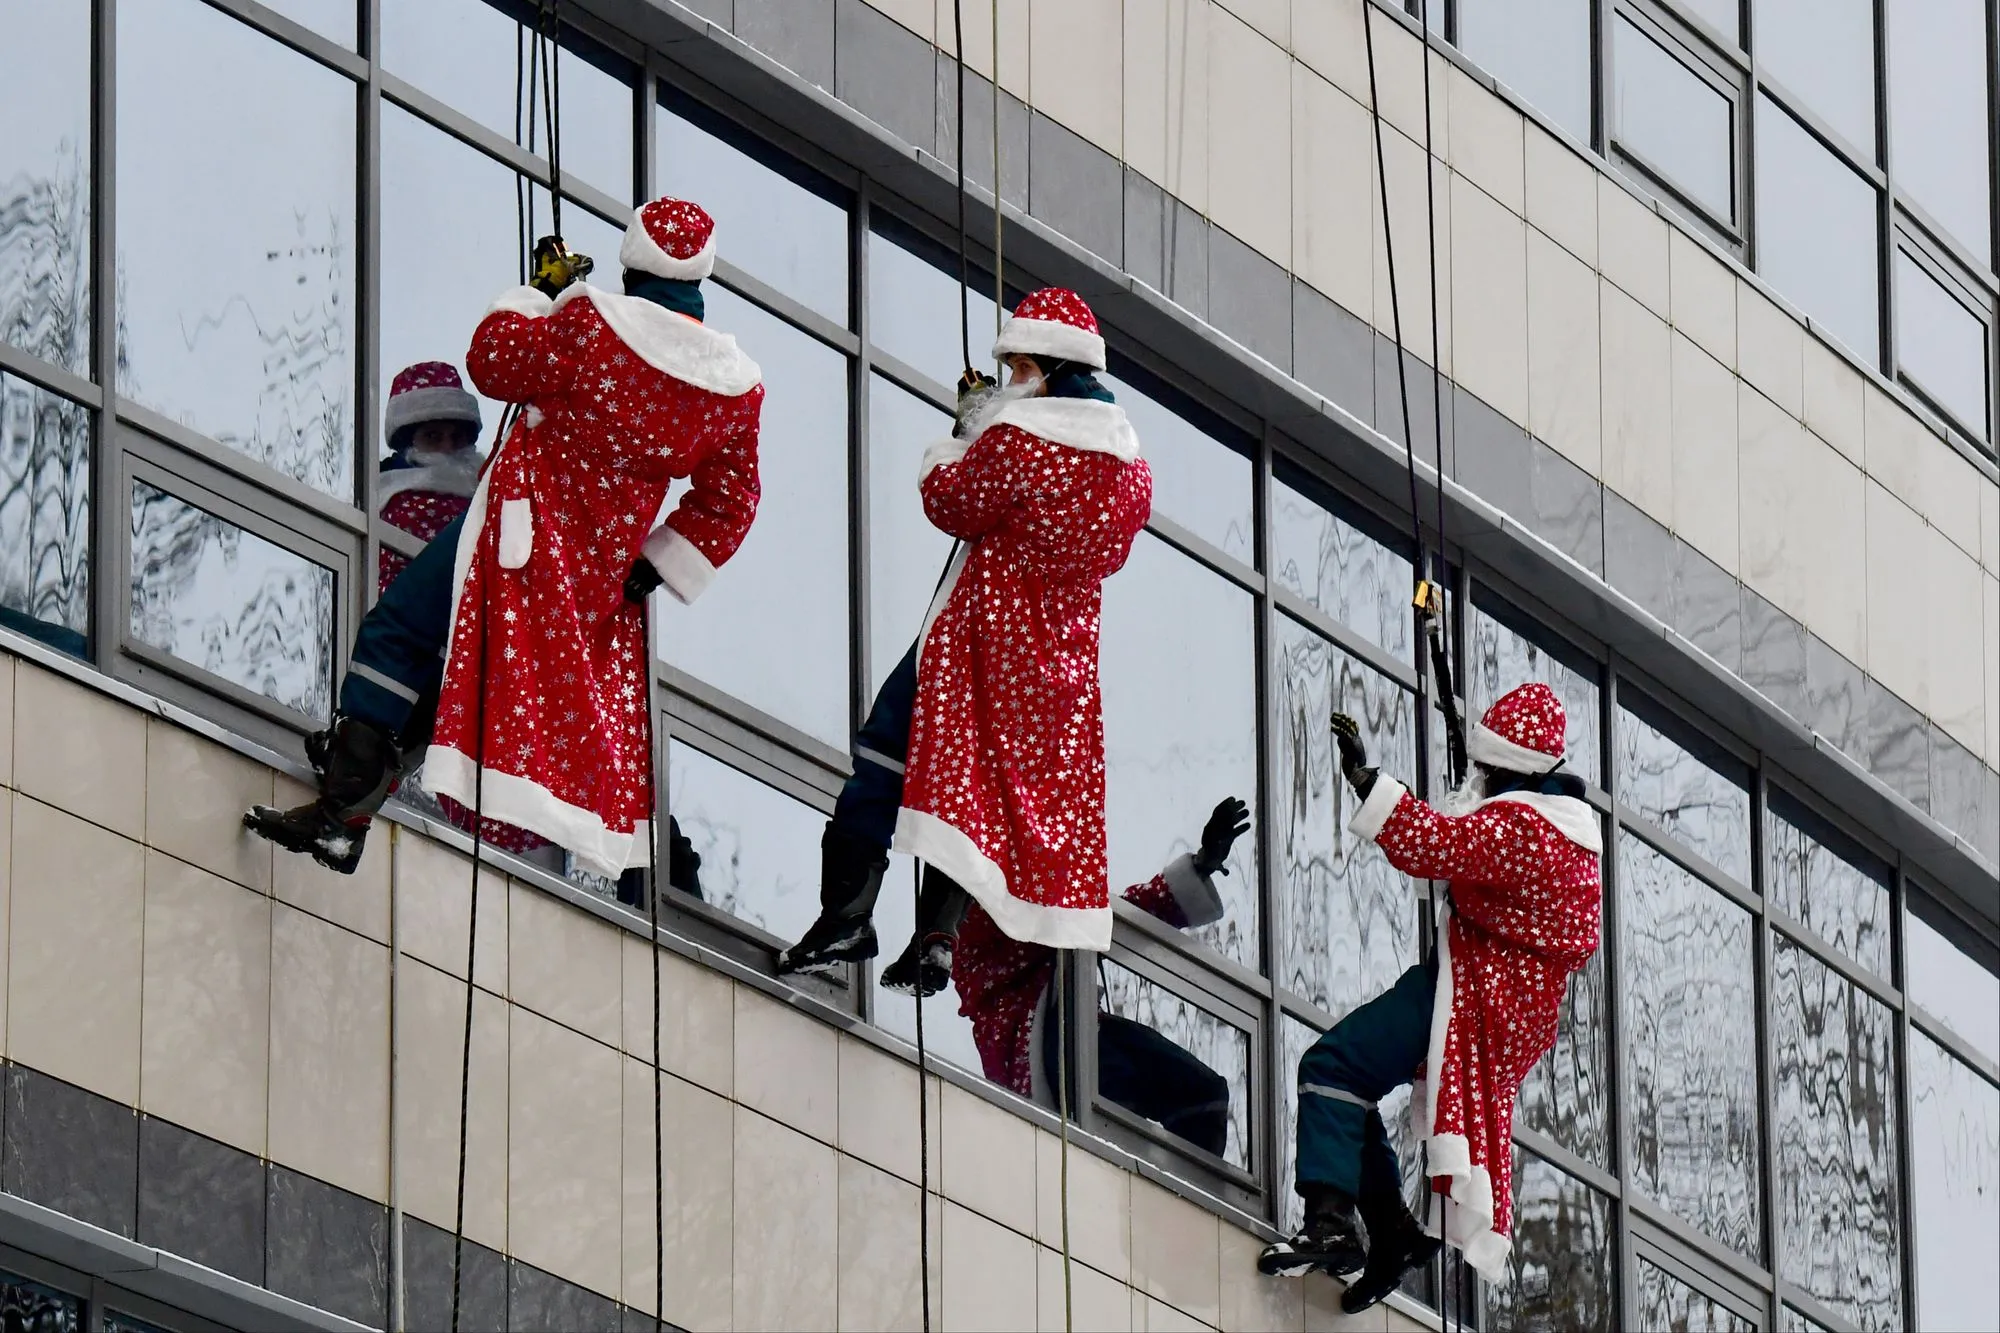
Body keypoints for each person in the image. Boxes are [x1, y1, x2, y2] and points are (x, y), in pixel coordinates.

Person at [247, 198, 762, 882]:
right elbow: (732, 500)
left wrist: (540, 294)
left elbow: (495, 362)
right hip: (597, 577)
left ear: (632, 266)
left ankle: (343, 809)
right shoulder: (730, 389)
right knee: (464, 678)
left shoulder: (593, 329)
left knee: (396, 633)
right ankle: (352, 806)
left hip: (518, 536)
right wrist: (657, 562)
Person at [776, 287, 1151, 993]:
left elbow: (951, 500)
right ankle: (938, 937)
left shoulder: (1018, 441)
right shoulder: (1130, 474)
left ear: (1050, 370)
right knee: (974, 790)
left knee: (886, 752)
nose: (1013, 382)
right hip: (1052, 669)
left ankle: (847, 914)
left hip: (979, 638)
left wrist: (968, 430)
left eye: (1020, 370)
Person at [1256, 683, 1603, 1313]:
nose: (1481, 777)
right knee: (1349, 1078)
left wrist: (1369, 783)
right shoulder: (1564, 835)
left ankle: (1333, 1226)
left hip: (1468, 992)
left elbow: (1437, 847)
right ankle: (1390, 1232)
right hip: (1497, 1003)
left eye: (1487, 767)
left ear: (1508, 766)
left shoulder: (1523, 828)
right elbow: (1463, 855)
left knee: (1332, 1066)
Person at [953, 796, 1250, 1156]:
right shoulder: (974, 916)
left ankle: (1187, 1187)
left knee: (1203, 1093)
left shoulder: (1028, 897)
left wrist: (1201, 865)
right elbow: (1081, 921)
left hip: (1077, 1032)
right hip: (1047, 1051)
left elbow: (1102, 919)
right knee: (1121, 1103)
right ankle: (1132, 1176)